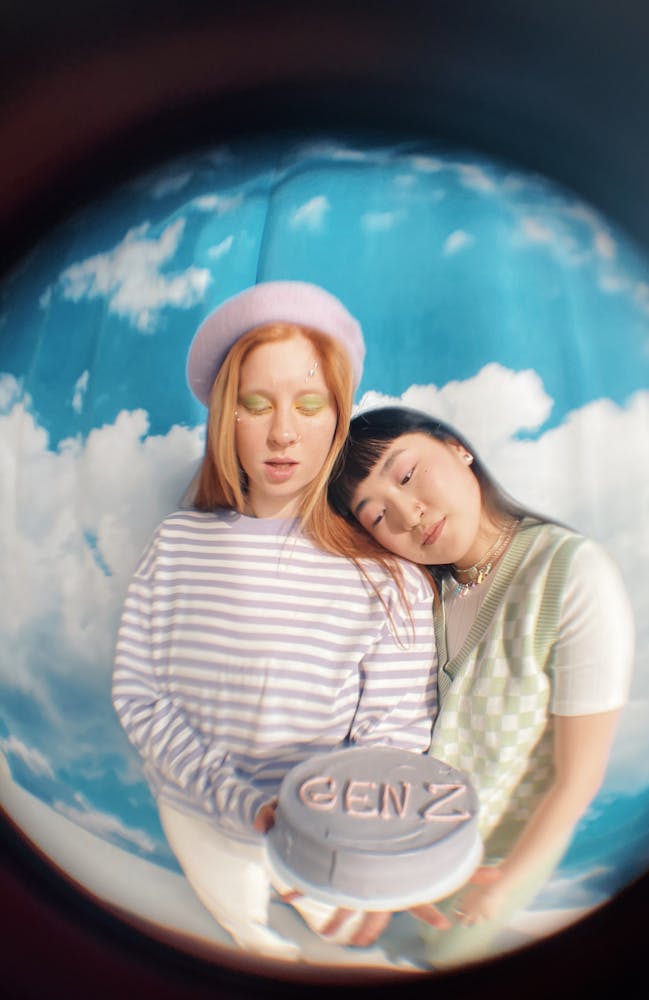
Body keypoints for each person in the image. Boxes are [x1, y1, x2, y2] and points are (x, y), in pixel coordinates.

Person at [112, 285, 438, 960]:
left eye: (309, 403)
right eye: (255, 404)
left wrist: (340, 833)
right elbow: (138, 694)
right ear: (226, 419)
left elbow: (393, 737)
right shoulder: (177, 546)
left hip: (328, 838)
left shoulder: (391, 582)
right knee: (239, 953)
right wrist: (236, 804)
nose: (282, 432)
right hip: (199, 818)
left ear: (338, 418)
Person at [328, 405, 634, 966]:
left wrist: (503, 884)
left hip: (491, 881)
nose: (408, 514)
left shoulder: (570, 572)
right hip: (401, 862)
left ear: (456, 447)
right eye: (376, 516)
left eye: (405, 475)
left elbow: (579, 779)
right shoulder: (419, 595)